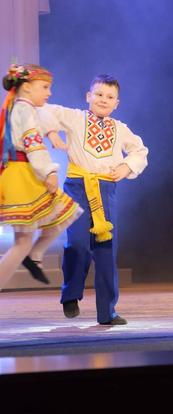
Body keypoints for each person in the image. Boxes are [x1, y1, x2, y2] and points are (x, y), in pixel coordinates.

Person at [38, 74, 149, 325]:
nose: (103, 100)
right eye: (98, 94)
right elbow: (44, 111)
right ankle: (71, 293)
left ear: (116, 103)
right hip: (77, 186)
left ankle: (107, 312)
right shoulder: (76, 118)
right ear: (88, 96)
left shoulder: (120, 128)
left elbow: (140, 150)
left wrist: (126, 167)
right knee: (77, 243)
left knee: (106, 250)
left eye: (109, 97)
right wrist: (53, 133)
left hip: (105, 188)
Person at [0, 63, 82, 289]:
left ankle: (34, 254)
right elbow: (33, 144)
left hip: (18, 172)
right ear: (27, 87)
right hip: (23, 174)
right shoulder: (24, 110)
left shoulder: (18, 107)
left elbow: (43, 121)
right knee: (24, 241)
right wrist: (49, 172)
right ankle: (33, 254)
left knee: (60, 216)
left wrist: (52, 133)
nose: (49, 92)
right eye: (44, 87)